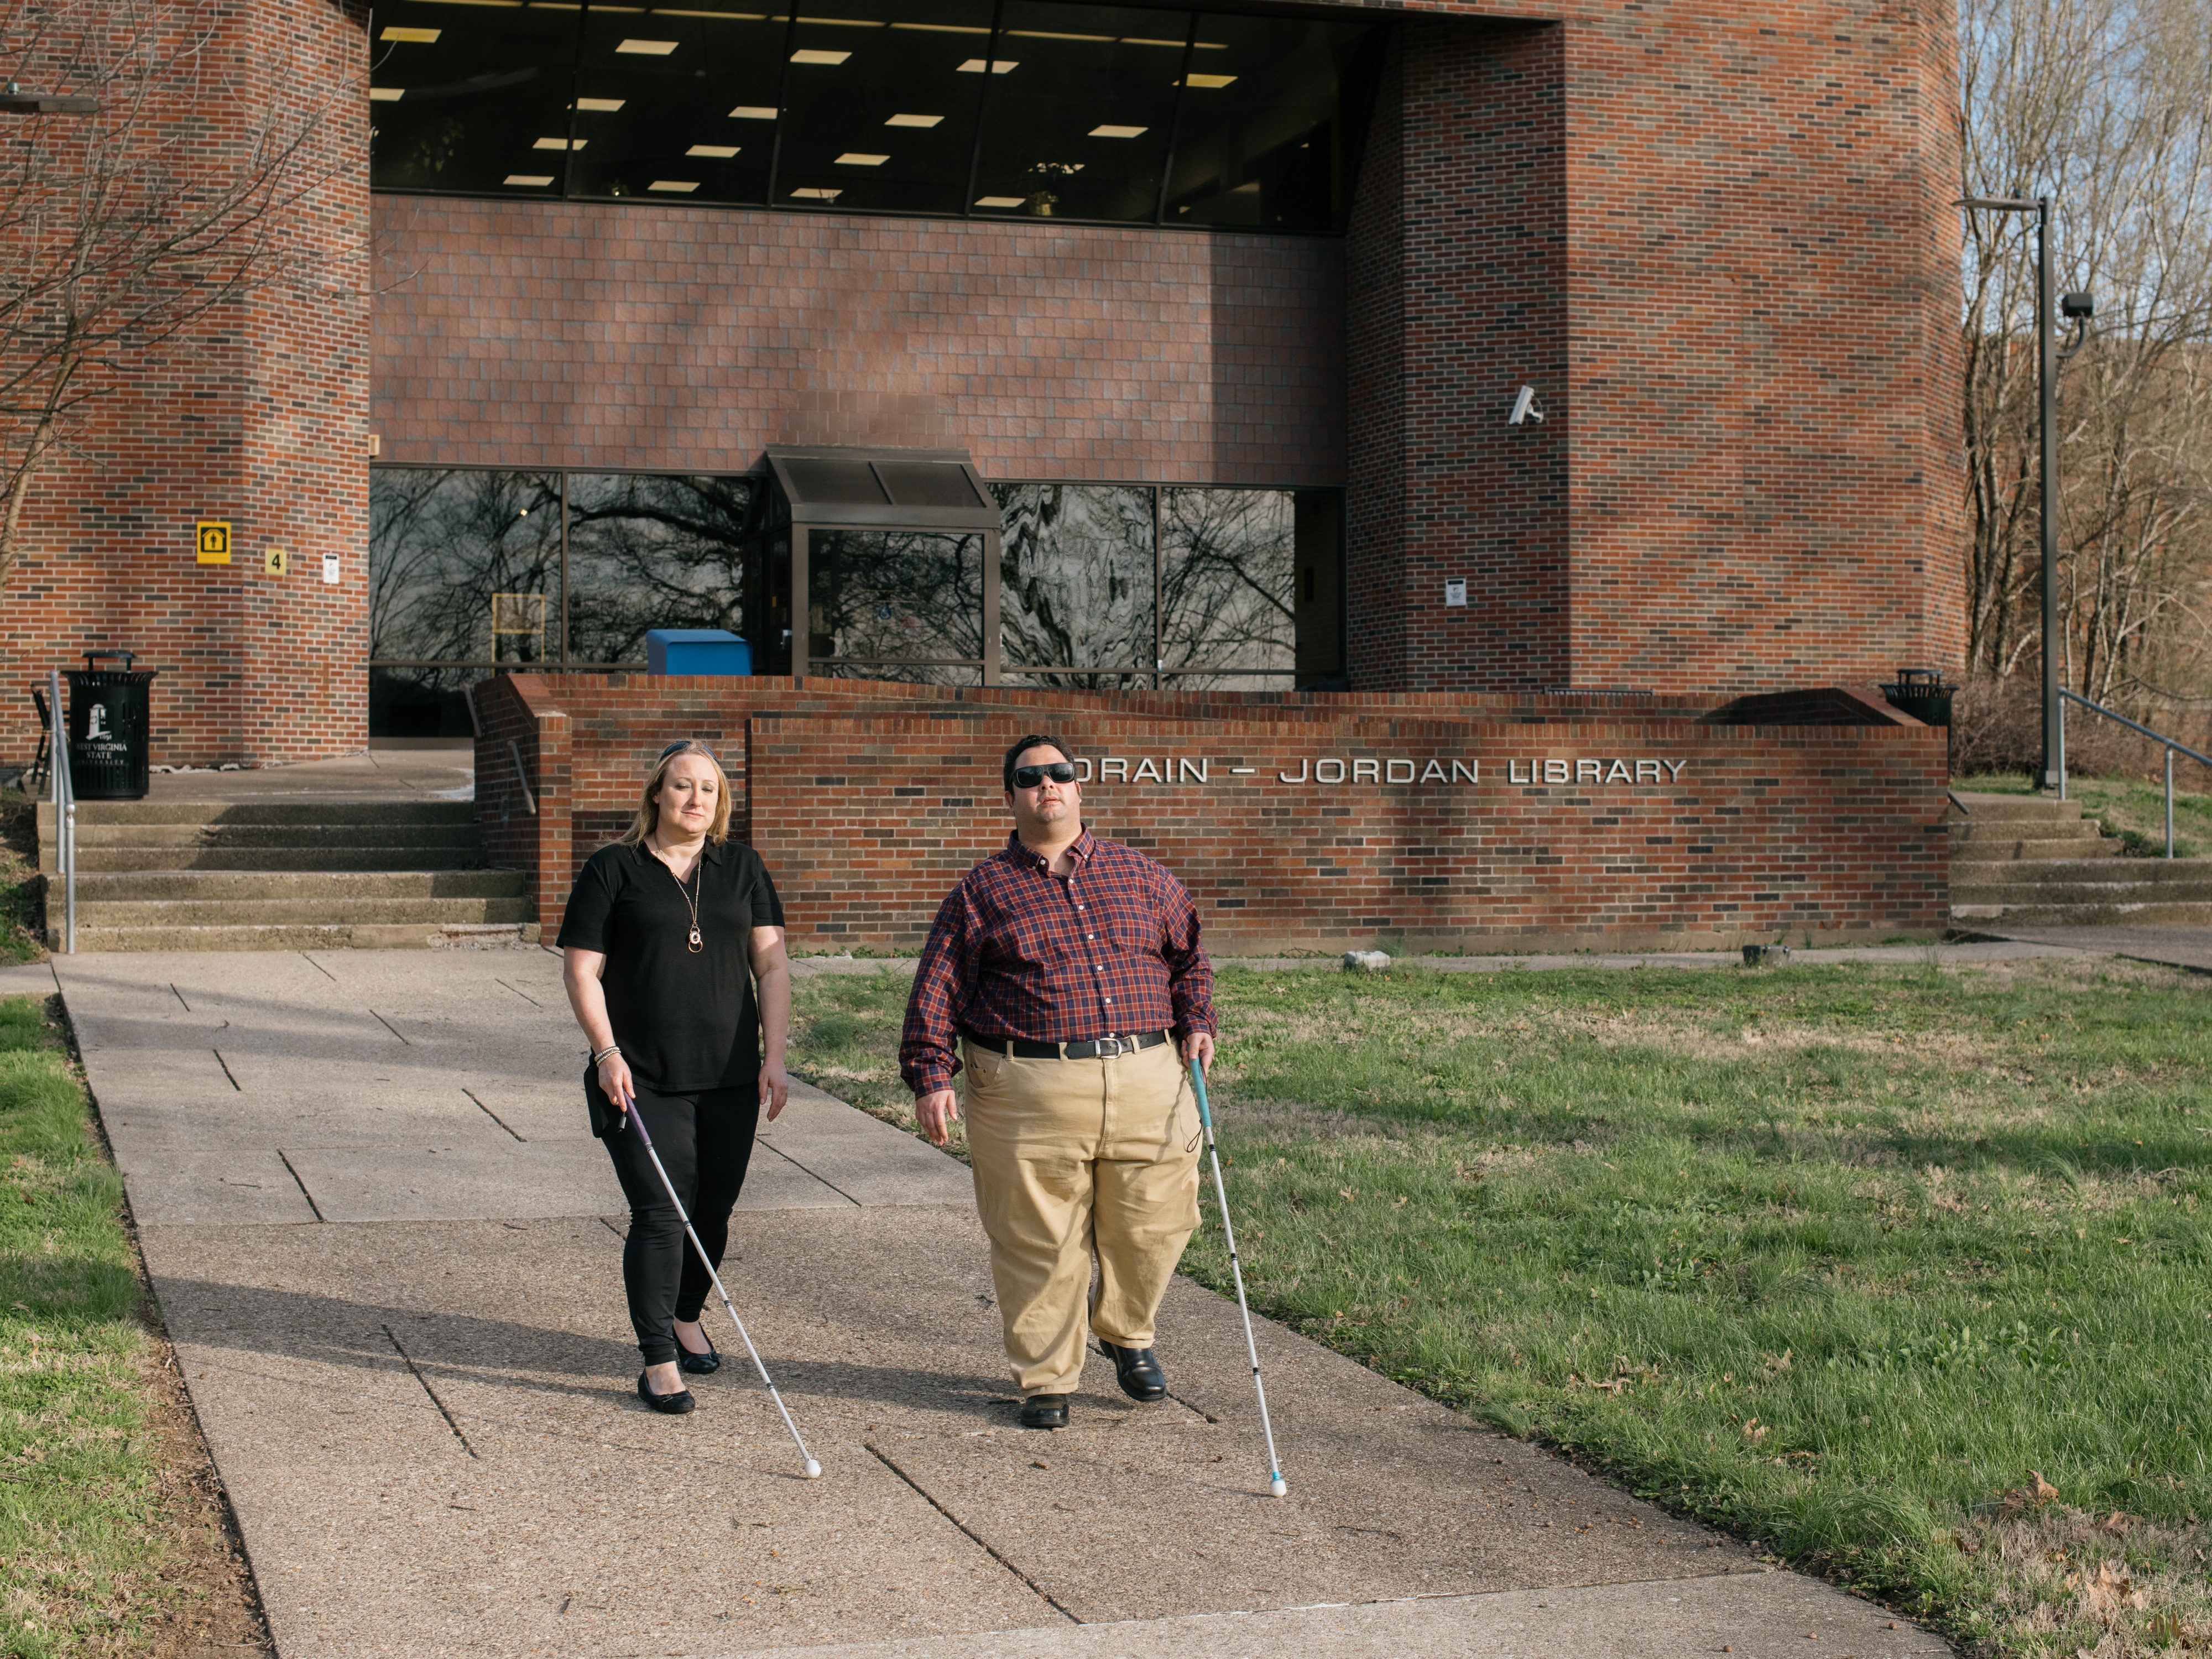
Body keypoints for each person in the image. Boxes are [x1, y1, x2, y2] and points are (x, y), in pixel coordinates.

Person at [900, 734, 1215, 1430]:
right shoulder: (980, 891)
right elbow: (938, 988)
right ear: (1010, 796)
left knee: (1154, 1225)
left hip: (1148, 1077)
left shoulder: (1144, 877)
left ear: (1079, 790)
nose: (1048, 785)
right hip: (1027, 1086)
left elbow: (1189, 959)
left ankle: (1126, 1331)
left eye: (1060, 774)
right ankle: (1047, 1377)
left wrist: (1199, 1021)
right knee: (1037, 1238)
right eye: (1030, 777)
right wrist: (929, 1074)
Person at [560, 739, 791, 1416]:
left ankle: (687, 1312)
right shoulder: (613, 869)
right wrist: (606, 1053)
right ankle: (660, 1357)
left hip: (727, 1076)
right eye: (683, 786)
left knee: (711, 1213)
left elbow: (771, 967)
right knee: (661, 1213)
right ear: (656, 794)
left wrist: (773, 1057)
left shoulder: (742, 867)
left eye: (709, 790)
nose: (695, 800)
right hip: (640, 1075)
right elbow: (581, 970)